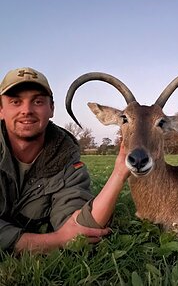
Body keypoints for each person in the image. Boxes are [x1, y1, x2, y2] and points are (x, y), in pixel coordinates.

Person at [0, 67, 130, 254]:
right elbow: (63, 239)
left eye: (37, 101)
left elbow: (81, 230)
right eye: (15, 102)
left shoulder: (67, 162)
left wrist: (118, 174)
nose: (26, 110)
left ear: (51, 108)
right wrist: (54, 241)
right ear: (1, 110)